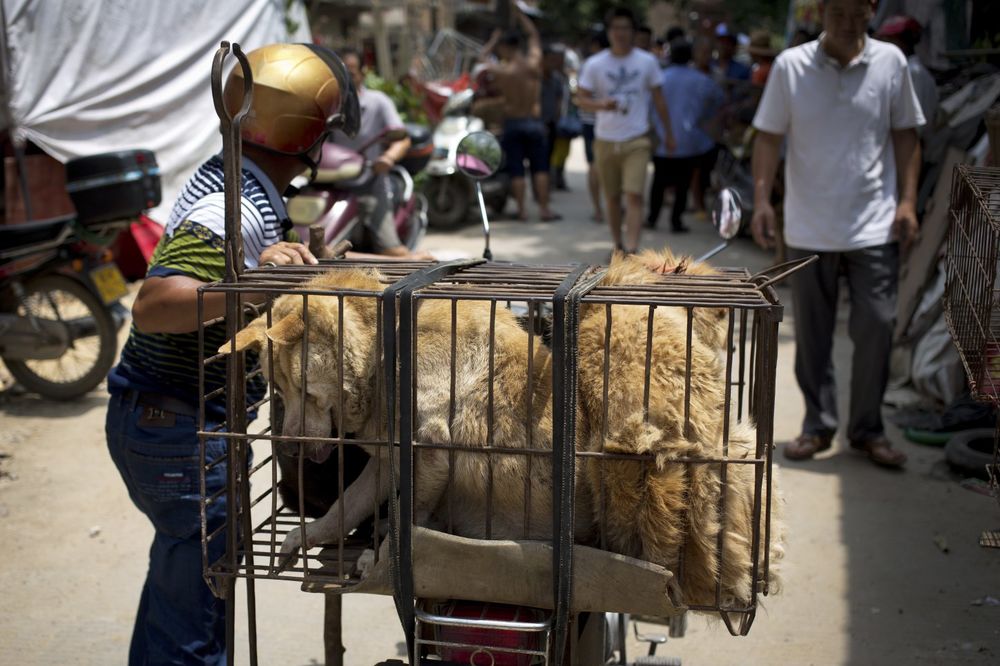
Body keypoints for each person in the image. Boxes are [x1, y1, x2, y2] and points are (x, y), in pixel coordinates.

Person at [105, 43, 359, 664]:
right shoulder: (234, 208)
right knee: (194, 628)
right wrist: (252, 284)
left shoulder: (236, 176)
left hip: (169, 423)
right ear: (306, 135)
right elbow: (157, 302)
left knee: (183, 602)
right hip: (180, 431)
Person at [751, 0, 924, 468]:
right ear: (821, 10)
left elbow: (906, 135)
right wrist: (764, 201)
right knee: (813, 334)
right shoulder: (791, 66)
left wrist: (907, 201)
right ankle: (817, 425)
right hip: (809, 224)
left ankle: (867, 429)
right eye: (838, 13)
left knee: (877, 324)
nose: (848, 24)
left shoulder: (891, 61)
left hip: (874, 223)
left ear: (871, 9)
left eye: (857, 14)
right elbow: (768, 137)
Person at [577, 7, 676, 255]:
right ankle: (617, 244)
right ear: (609, 32)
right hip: (605, 139)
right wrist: (602, 104)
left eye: (626, 28)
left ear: (633, 32)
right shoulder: (595, 64)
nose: (620, 33)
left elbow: (660, 100)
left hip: (637, 139)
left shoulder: (647, 62)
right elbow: (581, 99)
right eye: (616, 28)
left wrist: (670, 134)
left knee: (634, 195)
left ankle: (632, 248)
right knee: (612, 197)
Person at [329, 48, 432, 259]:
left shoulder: (378, 102)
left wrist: (388, 158)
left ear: (362, 74)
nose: (347, 77)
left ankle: (415, 263)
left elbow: (402, 138)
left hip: (371, 186)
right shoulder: (328, 105)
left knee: (391, 251)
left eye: (352, 71)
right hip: (332, 188)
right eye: (342, 72)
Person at [480, 6, 561, 222]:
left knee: (517, 170)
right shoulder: (533, 64)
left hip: (513, 122)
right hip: (534, 122)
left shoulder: (502, 71)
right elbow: (534, 35)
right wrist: (520, 15)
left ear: (505, 48)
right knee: (540, 169)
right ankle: (544, 210)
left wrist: (494, 39)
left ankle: (523, 211)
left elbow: (482, 58)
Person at [647, 38, 724, 233]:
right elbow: (718, 101)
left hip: (662, 139)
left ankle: (652, 218)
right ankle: (676, 221)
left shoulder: (660, 78)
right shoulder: (702, 80)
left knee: (659, 181)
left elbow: (649, 106)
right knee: (683, 183)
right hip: (689, 140)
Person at [875, 15, 938, 137]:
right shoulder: (903, 70)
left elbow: (914, 123)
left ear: (902, 43)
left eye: (888, 40)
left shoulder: (913, 73)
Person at [577, 31, 609, 223]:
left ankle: (598, 209)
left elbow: (580, 98)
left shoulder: (589, 65)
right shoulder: (613, 63)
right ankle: (610, 205)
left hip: (592, 123)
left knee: (594, 167)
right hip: (607, 123)